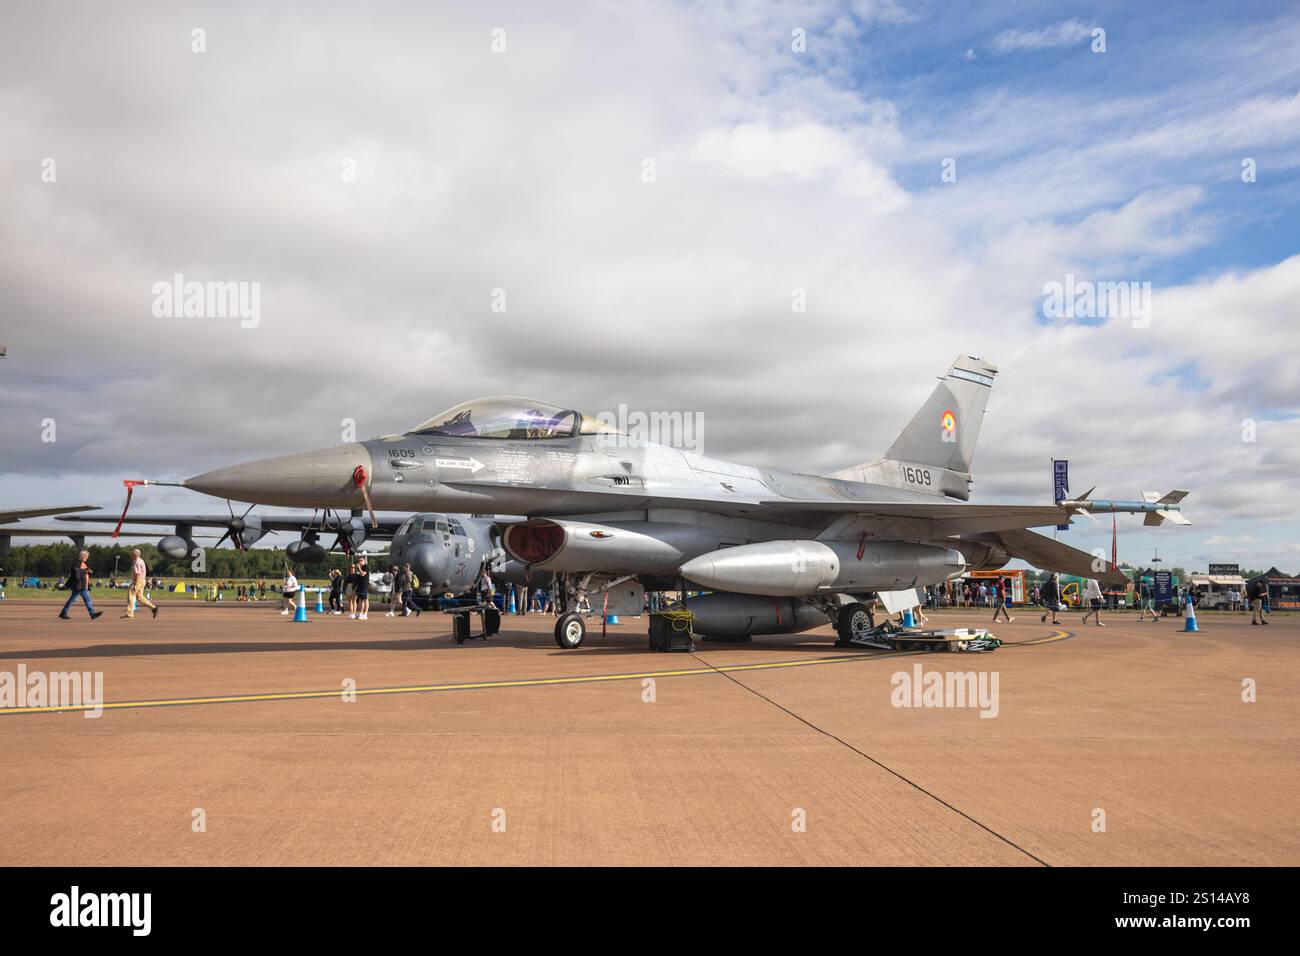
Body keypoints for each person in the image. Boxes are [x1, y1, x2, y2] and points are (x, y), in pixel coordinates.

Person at [58, 550, 103, 620]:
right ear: (81, 556)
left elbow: (85, 572)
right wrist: (86, 571)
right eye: (85, 556)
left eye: (87, 556)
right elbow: (76, 572)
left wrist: (89, 571)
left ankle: (64, 612)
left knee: (76, 599)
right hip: (79, 585)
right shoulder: (76, 562)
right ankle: (92, 614)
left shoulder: (84, 563)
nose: (86, 557)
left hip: (83, 585)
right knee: (83, 600)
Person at [122, 548, 159, 620]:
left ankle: (130, 614)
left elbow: (138, 574)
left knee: (131, 596)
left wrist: (136, 584)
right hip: (143, 580)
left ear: (135, 555)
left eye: (132, 554)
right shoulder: (141, 561)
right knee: (140, 597)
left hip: (138, 580)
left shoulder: (137, 562)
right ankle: (154, 608)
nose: (131, 556)